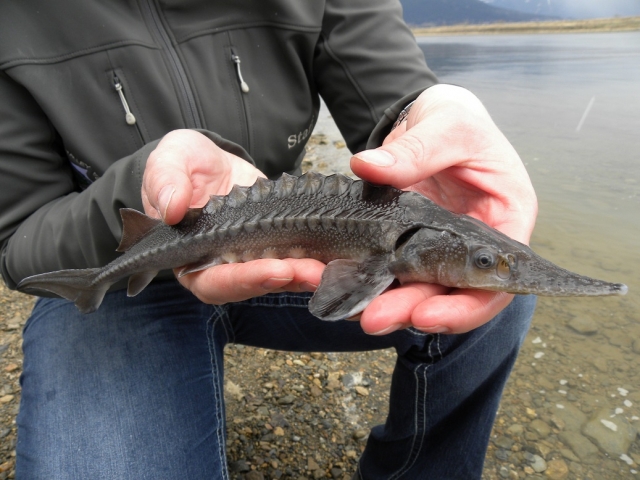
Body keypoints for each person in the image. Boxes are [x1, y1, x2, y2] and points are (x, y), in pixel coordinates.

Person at [0, 1, 537, 479]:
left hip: (284, 263)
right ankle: (97, 285)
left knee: (490, 295)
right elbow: (17, 245)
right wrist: (140, 187)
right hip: (127, 281)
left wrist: (426, 110)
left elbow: (388, 92)